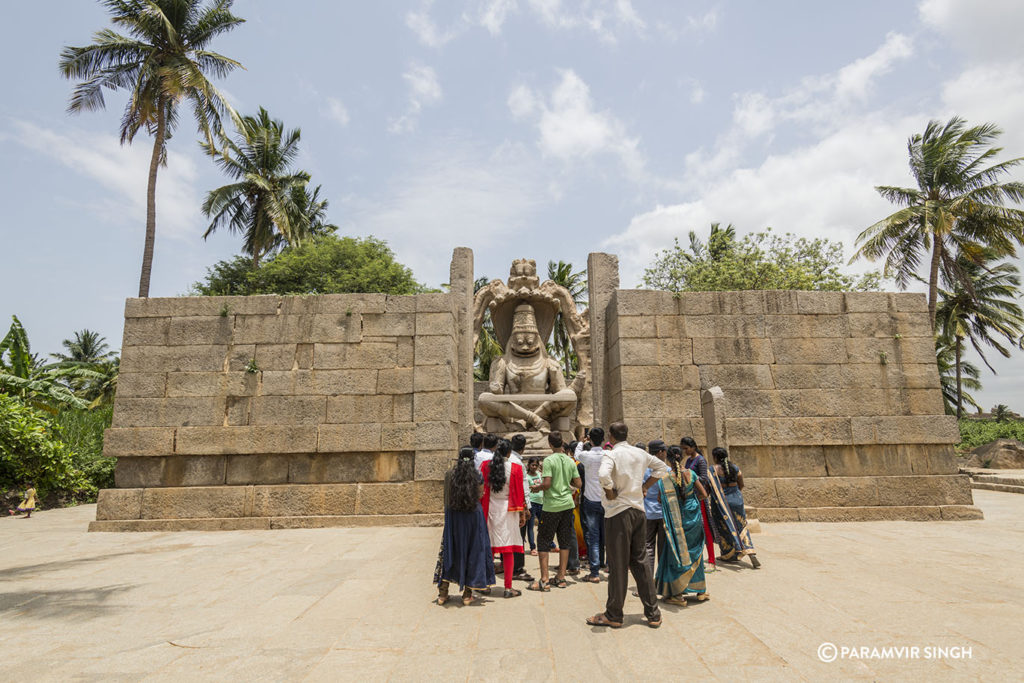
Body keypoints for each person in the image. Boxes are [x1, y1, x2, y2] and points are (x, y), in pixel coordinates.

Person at [586, 422, 669, 629]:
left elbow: (604, 475)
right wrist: (645, 487)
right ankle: (653, 613)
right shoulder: (639, 454)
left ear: (611, 436)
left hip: (618, 514)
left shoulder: (611, 454)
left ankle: (614, 614)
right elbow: (662, 468)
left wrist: (609, 490)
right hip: (639, 512)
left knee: (618, 565)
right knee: (640, 562)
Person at [434, 447, 496, 605]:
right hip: (472, 516)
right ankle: (467, 595)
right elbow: (481, 494)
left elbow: (446, 497)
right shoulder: (477, 475)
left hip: (454, 516)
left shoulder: (450, 474)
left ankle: (443, 593)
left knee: (450, 550)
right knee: (473, 551)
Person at [527, 432, 581, 592]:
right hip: (567, 504)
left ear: (550, 444)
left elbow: (547, 483)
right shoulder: (570, 461)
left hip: (551, 506)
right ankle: (561, 577)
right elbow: (578, 482)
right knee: (564, 540)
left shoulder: (549, 461)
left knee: (543, 540)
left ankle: (544, 580)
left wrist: (538, 487)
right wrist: (567, 489)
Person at [652, 454, 709, 604]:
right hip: (694, 516)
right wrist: (691, 500)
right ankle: (700, 591)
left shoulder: (666, 478)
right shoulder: (692, 473)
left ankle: (677, 594)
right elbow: (703, 494)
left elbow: (659, 499)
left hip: (677, 518)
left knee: (676, 552)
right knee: (695, 552)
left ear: (669, 460)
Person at [480, 440, 527, 598]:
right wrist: (522, 513)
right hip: (509, 511)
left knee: (490, 549)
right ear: (509, 453)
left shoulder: (486, 466)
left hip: (491, 509)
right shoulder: (516, 468)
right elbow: (519, 493)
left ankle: (486, 584)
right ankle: (508, 587)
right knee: (508, 550)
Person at [709, 447, 760, 569]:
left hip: (722, 502)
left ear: (715, 457)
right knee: (741, 526)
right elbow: (741, 484)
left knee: (725, 526)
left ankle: (729, 554)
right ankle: (750, 551)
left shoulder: (713, 470)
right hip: (737, 499)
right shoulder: (735, 468)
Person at [575, 427, 606, 583]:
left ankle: (594, 572)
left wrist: (581, 441)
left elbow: (576, 454)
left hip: (591, 499)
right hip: (607, 500)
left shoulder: (586, 455)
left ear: (590, 439)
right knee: (608, 535)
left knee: (593, 536)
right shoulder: (608, 454)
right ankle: (608, 566)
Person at [681, 437, 716, 567]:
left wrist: (689, 475)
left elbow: (704, 479)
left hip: (699, 497)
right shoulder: (689, 460)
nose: (685, 451)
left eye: (686, 448)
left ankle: (711, 559)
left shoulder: (700, 460)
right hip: (690, 497)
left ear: (693, 447)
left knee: (705, 527)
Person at [508, 434, 534, 582]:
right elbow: (524, 488)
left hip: (506, 504)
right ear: (524, 447)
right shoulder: (518, 463)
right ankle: (517, 569)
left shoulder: (507, 460)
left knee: (511, 536)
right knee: (519, 537)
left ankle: (509, 564)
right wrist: (526, 508)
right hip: (518, 504)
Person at [642, 440, 669, 579]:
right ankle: (662, 581)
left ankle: (648, 582)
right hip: (664, 514)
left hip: (648, 513)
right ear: (660, 452)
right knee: (663, 549)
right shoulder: (668, 471)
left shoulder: (644, 470)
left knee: (648, 547)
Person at [524, 457, 543, 554]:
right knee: (530, 526)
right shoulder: (526, 477)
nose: (534, 467)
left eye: (536, 465)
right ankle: (532, 547)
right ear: (529, 465)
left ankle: (549, 544)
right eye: (533, 465)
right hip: (531, 503)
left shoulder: (540, 475)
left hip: (541, 502)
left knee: (543, 525)